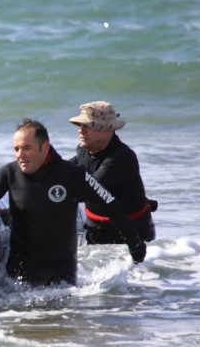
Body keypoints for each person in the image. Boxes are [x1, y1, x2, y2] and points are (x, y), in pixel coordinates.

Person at [0, 119, 146, 286]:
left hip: (60, 279)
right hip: (18, 275)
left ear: (44, 147)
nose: (20, 155)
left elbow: (110, 204)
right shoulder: (10, 173)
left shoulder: (73, 175)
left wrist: (134, 242)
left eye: (27, 148)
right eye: (16, 149)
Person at [67, 101, 156, 244]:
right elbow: (62, 170)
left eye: (88, 126)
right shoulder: (83, 150)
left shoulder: (121, 157)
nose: (81, 131)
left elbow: (88, 191)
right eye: (80, 125)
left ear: (108, 130)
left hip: (131, 237)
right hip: (94, 228)